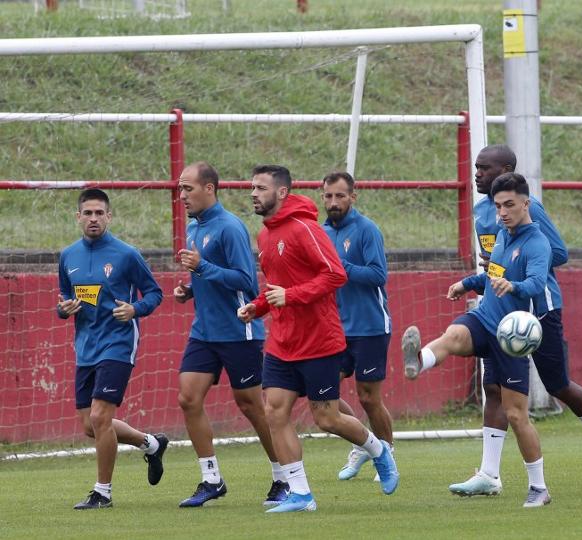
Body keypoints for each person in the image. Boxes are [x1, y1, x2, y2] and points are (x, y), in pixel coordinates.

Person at [408, 144, 582, 495]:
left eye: (484, 168)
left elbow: (558, 252)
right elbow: (495, 263)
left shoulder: (528, 209)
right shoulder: (485, 212)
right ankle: (489, 474)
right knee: (491, 388)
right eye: (475, 168)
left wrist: (517, 262)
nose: (477, 173)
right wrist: (486, 272)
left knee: (558, 385)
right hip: (501, 309)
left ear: (506, 169)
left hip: (538, 308)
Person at [236, 165, 398, 513]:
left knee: (326, 419)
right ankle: (301, 494)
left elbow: (336, 274)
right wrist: (258, 306)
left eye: (261, 188)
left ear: (281, 192)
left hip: (319, 341)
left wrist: (290, 297)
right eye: (252, 187)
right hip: (281, 342)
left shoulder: (305, 229)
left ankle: (378, 449)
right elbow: (277, 286)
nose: (253, 193)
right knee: (274, 412)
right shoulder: (265, 235)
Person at [403, 172, 556, 508]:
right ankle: (418, 361)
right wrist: (468, 283)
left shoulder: (537, 243)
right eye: (498, 205)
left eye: (509, 205)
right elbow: (494, 273)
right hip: (485, 319)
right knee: (454, 335)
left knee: (516, 414)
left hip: (512, 334)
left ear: (526, 203)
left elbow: (535, 283)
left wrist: (513, 288)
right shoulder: (502, 233)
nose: (502, 212)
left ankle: (539, 487)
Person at [172, 162, 286, 508]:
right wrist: (190, 289)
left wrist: (201, 267)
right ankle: (211, 478)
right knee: (188, 399)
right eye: (180, 189)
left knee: (252, 406)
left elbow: (247, 283)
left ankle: (283, 476)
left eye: (187, 189)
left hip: (240, 331)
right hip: (204, 332)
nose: (182, 196)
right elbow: (209, 276)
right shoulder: (195, 228)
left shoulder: (230, 228)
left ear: (209, 189)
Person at [57, 188, 168, 509]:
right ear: (78, 217)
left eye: (99, 213)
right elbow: (62, 298)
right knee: (91, 426)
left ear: (109, 216)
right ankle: (150, 444)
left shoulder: (126, 254)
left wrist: (135, 309)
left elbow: (154, 293)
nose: (93, 218)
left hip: (118, 344)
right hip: (86, 346)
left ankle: (102, 492)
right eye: (87, 213)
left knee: (100, 416)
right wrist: (63, 309)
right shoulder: (68, 256)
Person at [320, 172, 397, 484]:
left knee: (368, 397)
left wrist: (343, 268)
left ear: (353, 196)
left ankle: (387, 454)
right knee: (322, 389)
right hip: (335, 327)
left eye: (340, 196)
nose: (334, 202)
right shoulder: (320, 232)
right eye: (328, 196)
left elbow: (378, 275)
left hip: (370, 326)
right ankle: (366, 443)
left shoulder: (366, 230)